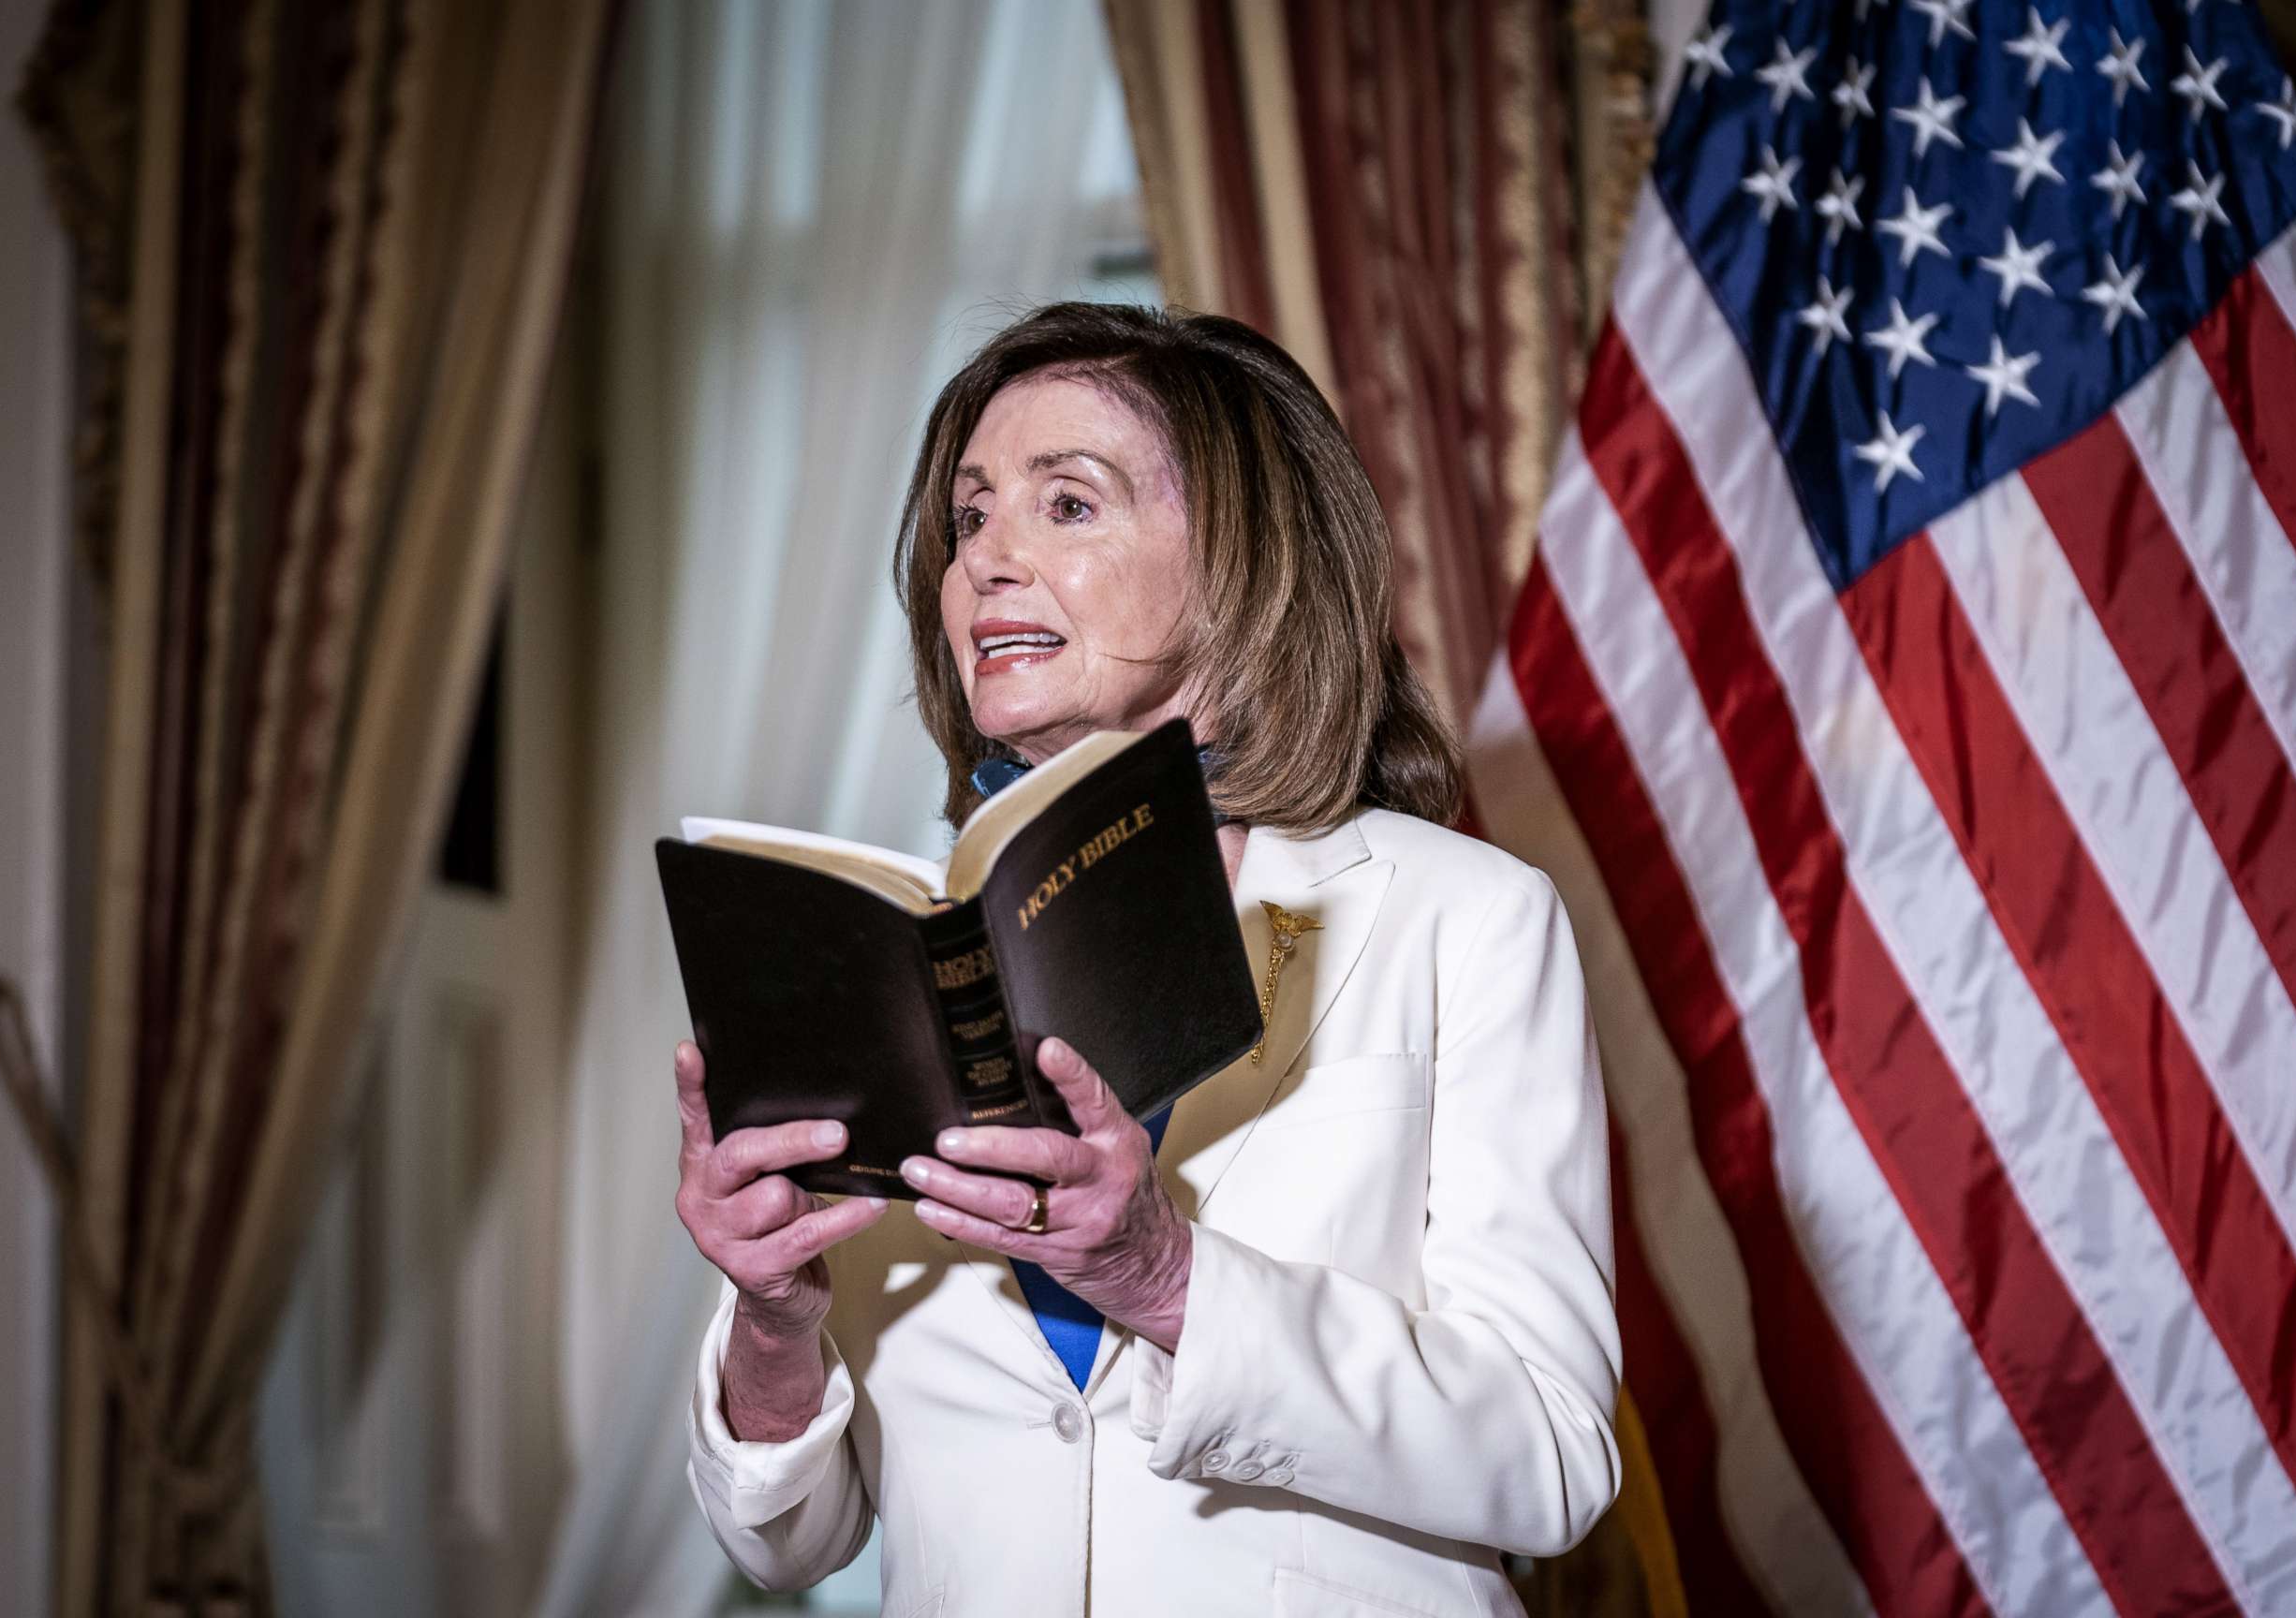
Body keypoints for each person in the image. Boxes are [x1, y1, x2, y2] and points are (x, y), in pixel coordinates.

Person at [674, 302, 1620, 1615]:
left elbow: (1554, 1454)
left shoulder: (1466, 919)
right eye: (970, 518)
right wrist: (773, 1321)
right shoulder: (885, 958)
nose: (988, 561)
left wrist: (1166, 1280)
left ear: (1243, 562)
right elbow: (790, 1543)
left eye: (1067, 505)